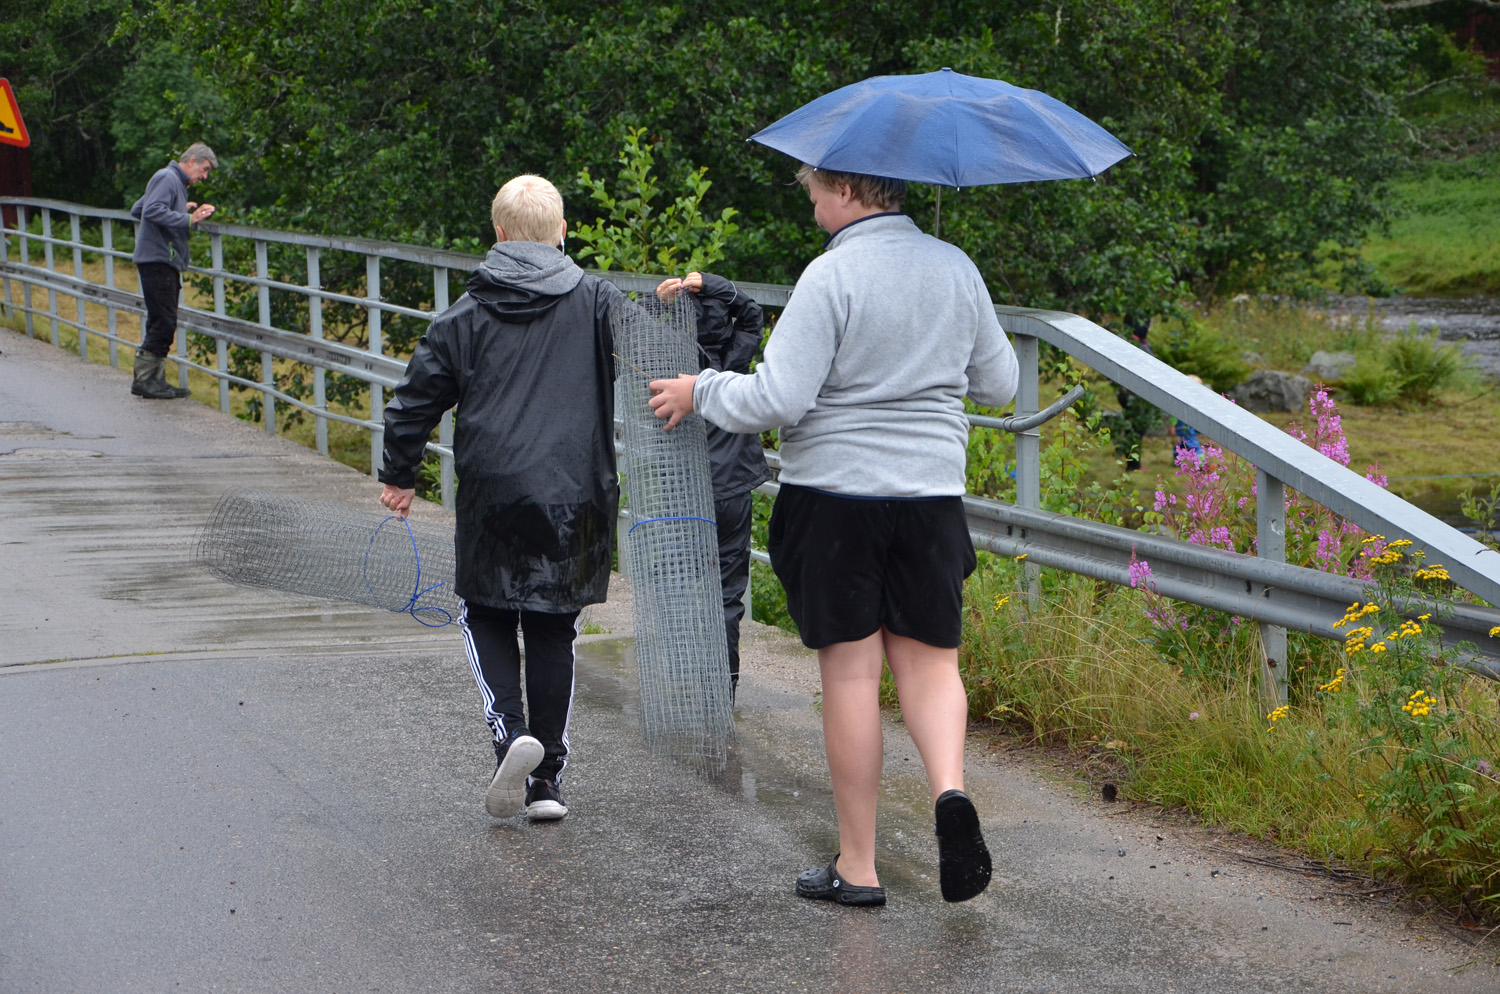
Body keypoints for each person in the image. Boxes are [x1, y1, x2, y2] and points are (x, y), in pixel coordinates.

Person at [648, 165, 1019, 906]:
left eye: (814, 189)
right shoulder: (957, 268)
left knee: (852, 676)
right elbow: (1000, 386)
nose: (811, 203)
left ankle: (859, 866)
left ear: (848, 191)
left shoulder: (830, 275)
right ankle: (949, 792)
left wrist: (701, 388)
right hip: (931, 499)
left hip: (839, 499)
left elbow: (777, 397)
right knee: (931, 666)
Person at [378, 174, 622, 823]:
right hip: (576, 495)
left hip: (493, 492)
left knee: (485, 614)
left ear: (501, 234)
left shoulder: (467, 314)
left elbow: (414, 400)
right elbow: (658, 361)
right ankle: (547, 783)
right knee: (552, 624)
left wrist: (399, 474)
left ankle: (509, 735)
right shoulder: (598, 301)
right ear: (563, 231)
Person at [655, 271, 770, 699]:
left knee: (681, 584)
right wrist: (712, 284)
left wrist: (663, 302)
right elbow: (752, 312)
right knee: (727, 594)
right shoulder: (735, 362)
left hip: (682, 493)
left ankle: (685, 683)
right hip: (732, 488)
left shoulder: (668, 362)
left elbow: (629, 330)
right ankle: (724, 689)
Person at [128, 143, 218, 399]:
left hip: (158, 259)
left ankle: (156, 380)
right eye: (205, 169)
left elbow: (138, 209)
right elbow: (153, 210)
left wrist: (179, 209)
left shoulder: (170, 181)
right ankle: (144, 380)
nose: (205, 176)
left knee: (160, 319)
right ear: (191, 161)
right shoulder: (168, 178)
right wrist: (190, 219)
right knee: (165, 321)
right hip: (158, 260)